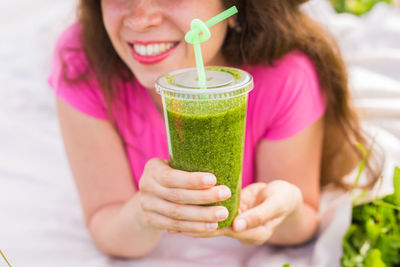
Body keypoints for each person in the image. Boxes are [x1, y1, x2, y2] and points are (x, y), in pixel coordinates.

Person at [48, 0, 380, 258]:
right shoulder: (84, 62)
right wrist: (144, 211)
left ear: (233, 8)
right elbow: (105, 223)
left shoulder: (285, 78)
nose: (140, 18)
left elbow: (302, 222)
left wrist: (285, 208)